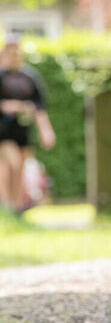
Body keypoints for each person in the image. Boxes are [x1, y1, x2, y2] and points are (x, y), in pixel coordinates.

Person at [0, 33, 56, 214]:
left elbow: (39, 107)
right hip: (4, 132)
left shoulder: (30, 77)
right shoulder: (1, 76)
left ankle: (17, 209)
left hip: (23, 131)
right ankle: (8, 205)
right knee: (13, 164)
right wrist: (6, 106)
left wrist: (46, 131)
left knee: (20, 170)